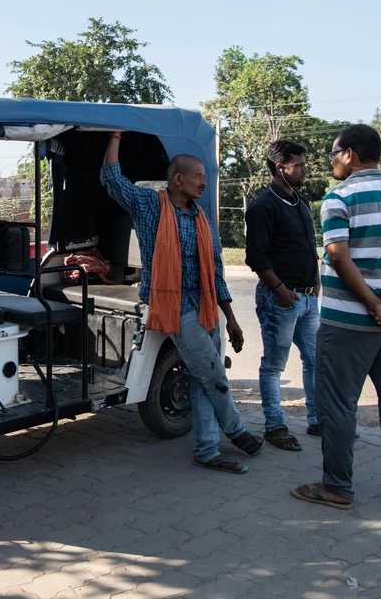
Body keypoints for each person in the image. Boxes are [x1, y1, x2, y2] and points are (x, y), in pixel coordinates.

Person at [101, 132, 264, 473]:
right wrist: (115, 134)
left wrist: (230, 318)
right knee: (214, 375)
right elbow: (112, 179)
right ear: (178, 180)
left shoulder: (199, 218)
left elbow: (216, 271)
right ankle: (236, 431)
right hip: (177, 309)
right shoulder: (149, 206)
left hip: (206, 307)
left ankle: (206, 449)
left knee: (202, 376)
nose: (205, 183)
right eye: (199, 177)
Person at [292, 124, 381, 510]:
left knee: (338, 404)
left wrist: (373, 305)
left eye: (334, 153)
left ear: (351, 153)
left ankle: (337, 487)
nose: (331, 160)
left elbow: (338, 254)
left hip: (347, 323)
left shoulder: (339, 196)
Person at [244, 140, 320, 450]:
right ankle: (275, 426)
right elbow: (256, 257)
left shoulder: (299, 201)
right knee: (274, 365)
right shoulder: (263, 206)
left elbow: (310, 244)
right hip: (280, 300)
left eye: (304, 164)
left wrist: (315, 280)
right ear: (281, 168)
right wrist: (280, 289)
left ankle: (317, 420)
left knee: (316, 361)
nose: (305, 170)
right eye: (299, 165)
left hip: (308, 299)